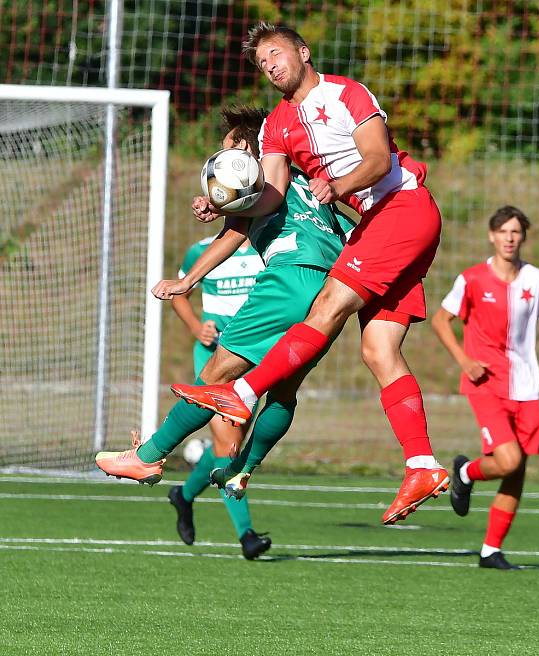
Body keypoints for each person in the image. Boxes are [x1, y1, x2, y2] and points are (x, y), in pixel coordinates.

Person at [172, 23, 449, 525]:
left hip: (401, 210)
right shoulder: (275, 125)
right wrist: (226, 202)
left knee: (326, 307)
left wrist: (335, 184)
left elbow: (379, 158)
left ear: (303, 51)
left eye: (276, 54)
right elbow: (272, 196)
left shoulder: (346, 93)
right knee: (378, 350)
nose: (271, 65)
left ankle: (242, 393)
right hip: (382, 227)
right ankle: (422, 464)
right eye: (262, 63)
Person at [95, 106, 354, 552]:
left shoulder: (261, 183)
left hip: (287, 280)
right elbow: (349, 228)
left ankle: (146, 456)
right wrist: (216, 203)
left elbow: (235, 232)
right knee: (284, 390)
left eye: (231, 146)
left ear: (248, 151)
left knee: (215, 378)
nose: (223, 155)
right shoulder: (308, 185)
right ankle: (243, 469)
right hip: (331, 293)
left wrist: (186, 281)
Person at [431, 206, 539, 569]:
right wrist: (464, 361)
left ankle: (490, 550)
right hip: (486, 383)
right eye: (503, 231)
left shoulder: (537, 280)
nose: (509, 238)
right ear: (491, 236)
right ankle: (464, 473)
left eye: (516, 232)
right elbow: (440, 320)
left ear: (523, 236)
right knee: (508, 460)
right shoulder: (473, 279)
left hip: (526, 385)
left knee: (517, 470)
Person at [167, 232, 271, 559]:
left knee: (230, 442)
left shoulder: (267, 245)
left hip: (254, 355)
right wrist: (197, 328)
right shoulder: (201, 250)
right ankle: (247, 536)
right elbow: (180, 293)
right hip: (215, 358)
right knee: (228, 444)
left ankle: (184, 496)